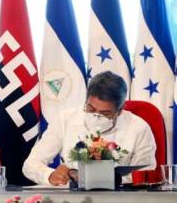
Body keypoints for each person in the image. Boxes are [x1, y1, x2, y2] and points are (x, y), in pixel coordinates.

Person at [23, 71, 156, 185]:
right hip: (72, 200)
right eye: (91, 108)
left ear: (120, 111)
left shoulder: (139, 127)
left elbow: (146, 175)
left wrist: (106, 179)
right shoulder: (65, 119)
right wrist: (49, 175)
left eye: (105, 113)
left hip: (121, 200)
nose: (96, 116)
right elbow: (30, 165)